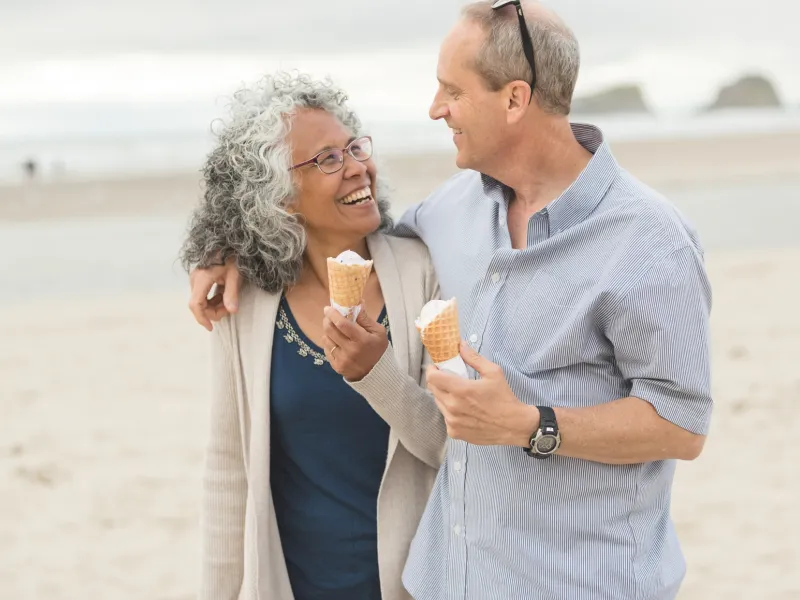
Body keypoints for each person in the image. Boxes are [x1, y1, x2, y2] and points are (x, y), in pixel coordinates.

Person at [187, 2, 714, 599]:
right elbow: (338, 229)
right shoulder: (450, 214)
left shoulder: (648, 238)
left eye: (451, 91)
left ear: (514, 100)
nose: (435, 109)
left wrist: (529, 424)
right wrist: (222, 245)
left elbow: (682, 424)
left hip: (588, 584)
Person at [180, 71, 447, 600]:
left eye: (354, 147)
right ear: (280, 198)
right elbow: (228, 472)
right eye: (327, 159)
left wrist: (378, 374)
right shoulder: (247, 303)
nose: (357, 168)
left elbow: (452, 445)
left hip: (414, 585)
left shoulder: (423, 273)